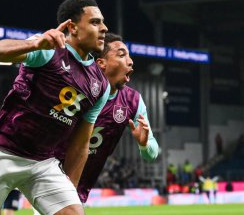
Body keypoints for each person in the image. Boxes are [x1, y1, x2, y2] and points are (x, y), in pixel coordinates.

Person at [0, 0, 110, 215]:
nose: (104, 28)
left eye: (103, 22)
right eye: (95, 22)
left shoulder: (101, 85)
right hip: (2, 151)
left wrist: (70, 190)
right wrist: (35, 43)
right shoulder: (49, 49)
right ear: (73, 27)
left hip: (42, 163)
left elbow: (80, 145)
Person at [33, 33, 159, 214]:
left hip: (79, 188)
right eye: (122, 55)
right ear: (101, 63)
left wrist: (145, 144)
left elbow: (151, 155)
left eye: (129, 56)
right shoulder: (77, 87)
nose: (131, 61)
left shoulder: (133, 101)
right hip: (50, 176)